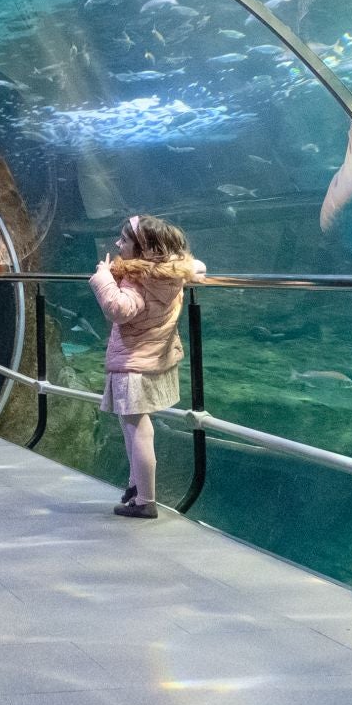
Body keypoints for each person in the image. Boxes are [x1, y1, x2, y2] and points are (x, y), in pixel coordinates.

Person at [88, 215, 205, 519]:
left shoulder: (141, 280)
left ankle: (145, 500)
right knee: (134, 426)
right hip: (152, 360)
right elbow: (197, 267)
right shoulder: (171, 274)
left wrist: (102, 278)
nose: (117, 244)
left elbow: (120, 309)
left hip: (133, 363)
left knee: (136, 428)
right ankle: (135, 485)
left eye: (124, 240)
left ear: (144, 248)